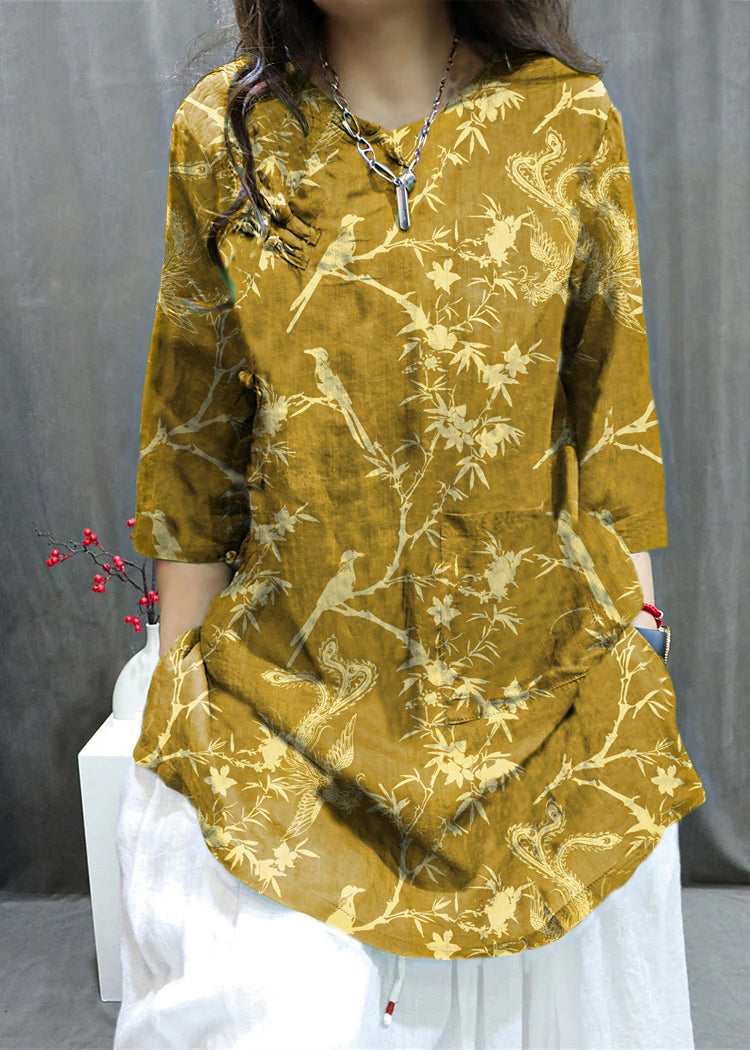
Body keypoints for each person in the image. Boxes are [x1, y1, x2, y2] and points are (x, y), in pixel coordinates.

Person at [114, 1, 706, 1047]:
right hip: (295, 699)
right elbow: (193, 440)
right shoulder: (227, 133)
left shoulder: (566, 119)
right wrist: (179, 692)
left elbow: (614, 420)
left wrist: (644, 647)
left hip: (532, 693)